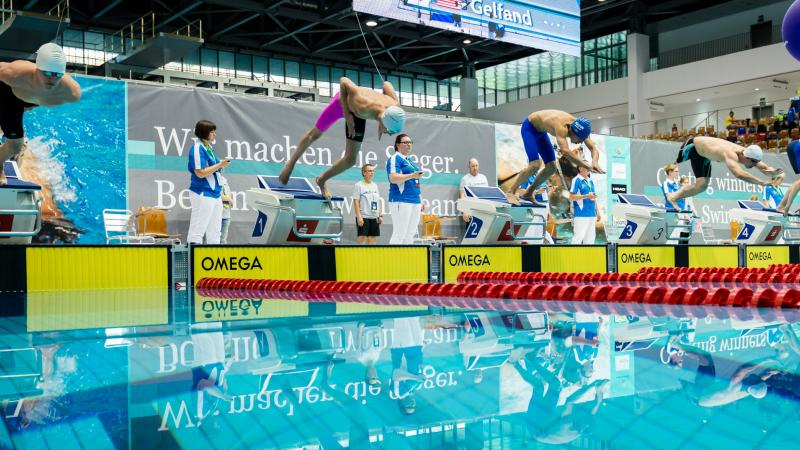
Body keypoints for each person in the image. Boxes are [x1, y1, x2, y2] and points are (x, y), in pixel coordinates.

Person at [278, 77, 405, 198]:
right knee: (314, 134)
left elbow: (387, 84)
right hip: (341, 104)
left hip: (359, 116)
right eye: (389, 131)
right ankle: (290, 164)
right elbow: (344, 81)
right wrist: (347, 115)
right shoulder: (362, 103)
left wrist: (380, 122)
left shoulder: (394, 104)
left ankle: (321, 180)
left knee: (350, 160)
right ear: (384, 120)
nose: (389, 133)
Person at [0, 43, 81, 184]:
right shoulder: (15, 72)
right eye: (47, 73)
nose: (52, 79)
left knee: (14, 147)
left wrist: (30, 104)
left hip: (28, 100)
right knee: (14, 143)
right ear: (37, 69)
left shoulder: (71, 92)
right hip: (8, 96)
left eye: (58, 75)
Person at [511, 110, 605, 202]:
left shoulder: (583, 129)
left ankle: (528, 193)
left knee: (551, 167)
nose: (580, 142)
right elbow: (565, 152)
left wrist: (595, 162)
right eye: (580, 139)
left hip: (542, 133)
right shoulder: (561, 126)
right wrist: (586, 165)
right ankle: (510, 192)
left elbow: (593, 148)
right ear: (572, 132)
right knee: (534, 165)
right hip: (529, 128)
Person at [667, 137, 783, 204]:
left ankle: (673, 197)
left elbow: (763, 166)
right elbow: (739, 174)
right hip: (693, 146)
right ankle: (670, 193)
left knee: (702, 186)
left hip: (705, 155)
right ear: (747, 157)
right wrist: (761, 183)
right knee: (673, 164)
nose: (754, 165)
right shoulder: (731, 154)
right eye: (753, 162)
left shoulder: (746, 153)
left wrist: (771, 172)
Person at [187, 120, 230, 244]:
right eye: (212, 132)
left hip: (215, 193)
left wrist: (221, 165)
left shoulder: (209, 147)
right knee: (197, 230)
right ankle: (193, 259)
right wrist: (220, 164)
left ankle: (213, 257)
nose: (214, 134)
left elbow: (214, 165)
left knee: (215, 231)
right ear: (204, 133)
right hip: (202, 192)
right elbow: (200, 173)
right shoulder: (197, 148)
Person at [387, 134, 423, 244]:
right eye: (405, 142)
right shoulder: (395, 158)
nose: (408, 145)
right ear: (398, 145)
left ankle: (406, 260)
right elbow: (393, 178)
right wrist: (412, 175)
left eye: (410, 142)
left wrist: (421, 199)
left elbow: (416, 181)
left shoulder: (410, 161)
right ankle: (393, 260)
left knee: (410, 234)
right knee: (400, 233)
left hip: (415, 201)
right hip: (401, 199)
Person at [570, 162, 599, 245]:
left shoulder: (591, 181)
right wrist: (587, 196)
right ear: (580, 168)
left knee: (590, 240)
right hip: (581, 214)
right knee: (578, 238)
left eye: (589, 166)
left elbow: (593, 197)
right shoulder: (576, 180)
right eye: (586, 166)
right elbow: (571, 197)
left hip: (592, 214)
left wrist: (597, 212)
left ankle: (588, 257)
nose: (589, 168)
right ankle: (572, 258)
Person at [352, 163, 382, 244]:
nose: (372, 173)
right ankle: (358, 256)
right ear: (364, 173)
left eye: (373, 171)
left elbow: (378, 201)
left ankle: (371, 256)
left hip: (374, 216)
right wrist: (359, 217)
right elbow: (356, 201)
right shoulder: (358, 185)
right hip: (364, 216)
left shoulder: (375, 185)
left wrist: (380, 215)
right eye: (369, 171)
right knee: (362, 237)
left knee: (372, 238)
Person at [458, 158, 489, 224]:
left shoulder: (483, 178)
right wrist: (465, 211)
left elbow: (487, 194)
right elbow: (462, 195)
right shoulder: (465, 179)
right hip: (471, 211)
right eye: (473, 166)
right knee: (471, 233)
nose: (475, 168)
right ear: (469, 167)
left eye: (476, 165)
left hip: (483, 211)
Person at [778, 141, 800, 214]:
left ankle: (781, 206)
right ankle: (784, 206)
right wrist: (788, 205)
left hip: (795, 146)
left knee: (798, 181)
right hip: (796, 147)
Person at [219, 169, 233, 244]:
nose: (221, 169)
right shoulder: (211, 179)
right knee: (211, 240)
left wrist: (231, 201)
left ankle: (222, 255)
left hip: (226, 215)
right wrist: (227, 198)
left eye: (222, 168)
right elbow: (214, 195)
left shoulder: (224, 180)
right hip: (216, 215)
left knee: (223, 240)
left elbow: (229, 194)